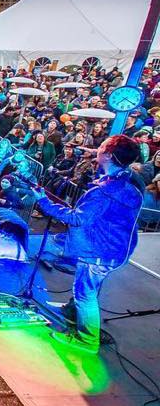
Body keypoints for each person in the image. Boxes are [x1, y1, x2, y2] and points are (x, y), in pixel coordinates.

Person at [32, 135, 144, 353]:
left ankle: (87, 339)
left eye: (101, 147)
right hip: (116, 247)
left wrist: (43, 201)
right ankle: (74, 313)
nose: (97, 149)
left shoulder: (103, 192)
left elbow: (77, 218)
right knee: (90, 288)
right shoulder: (131, 181)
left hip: (98, 250)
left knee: (85, 292)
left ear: (109, 155)